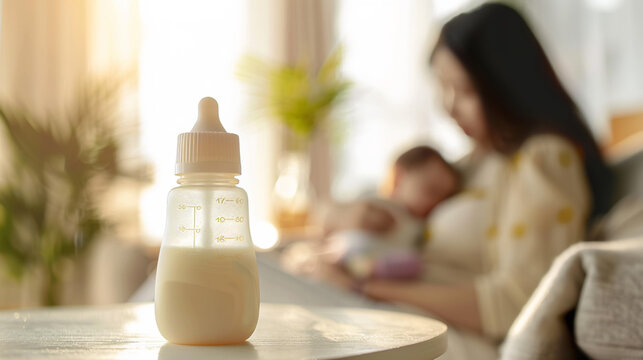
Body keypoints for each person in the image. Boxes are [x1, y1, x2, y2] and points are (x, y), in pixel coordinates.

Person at [324, 3, 613, 357]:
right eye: (442, 88)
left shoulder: (545, 158)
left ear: (507, 85)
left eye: (464, 91)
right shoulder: (474, 161)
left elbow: (519, 300)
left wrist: (368, 286)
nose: (449, 106)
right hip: (401, 314)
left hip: (445, 334)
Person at [321, 145, 459, 280]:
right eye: (431, 190)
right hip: (348, 255)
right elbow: (328, 216)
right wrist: (355, 217)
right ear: (399, 177)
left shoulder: (421, 225)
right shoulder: (376, 203)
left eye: (443, 199)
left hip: (380, 270)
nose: (435, 203)